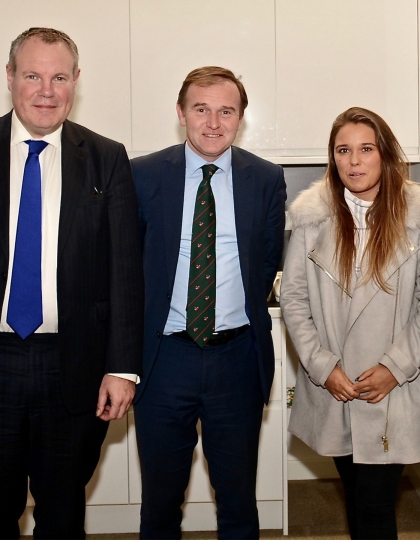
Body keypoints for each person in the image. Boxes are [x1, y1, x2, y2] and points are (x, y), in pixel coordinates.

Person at [0, 27, 143, 539]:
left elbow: (125, 274)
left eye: (59, 77)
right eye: (33, 76)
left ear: (76, 82)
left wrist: (122, 369)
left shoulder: (106, 158)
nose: (47, 90)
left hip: (75, 371)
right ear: (10, 78)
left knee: (63, 517)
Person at [131, 66, 286, 539]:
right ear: (181, 113)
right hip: (162, 359)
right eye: (201, 109)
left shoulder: (265, 178)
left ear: (241, 118)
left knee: (238, 499)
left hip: (237, 360)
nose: (213, 123)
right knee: (160, 500)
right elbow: (127, 269)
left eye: (226, 111)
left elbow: (265, 264)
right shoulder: (141, 175)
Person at [280, 107, 420, 539]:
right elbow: (293, 299)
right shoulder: (312, 219)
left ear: (386, 155)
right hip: (336, 388)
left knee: (375, 507)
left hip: (394, 389)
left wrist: (394, 367)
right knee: (357, 499)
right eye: (343, 150)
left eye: (366, 149)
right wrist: (322, 366)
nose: (354, 161)